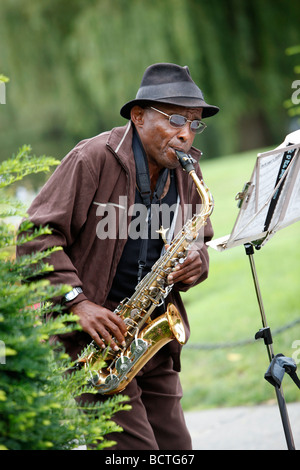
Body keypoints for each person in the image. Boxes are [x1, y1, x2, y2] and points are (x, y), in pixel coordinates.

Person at [17, 63, 219, 450]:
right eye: (176, 118)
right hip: (96, 340)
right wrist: (76, 303)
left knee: (178, 450)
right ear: (138, 116)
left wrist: (198, 259)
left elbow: (199, 233)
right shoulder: (91, 159)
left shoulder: (186, 166)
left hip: (151, 332)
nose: (185, 133)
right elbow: (33, 236)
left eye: (195, 123)